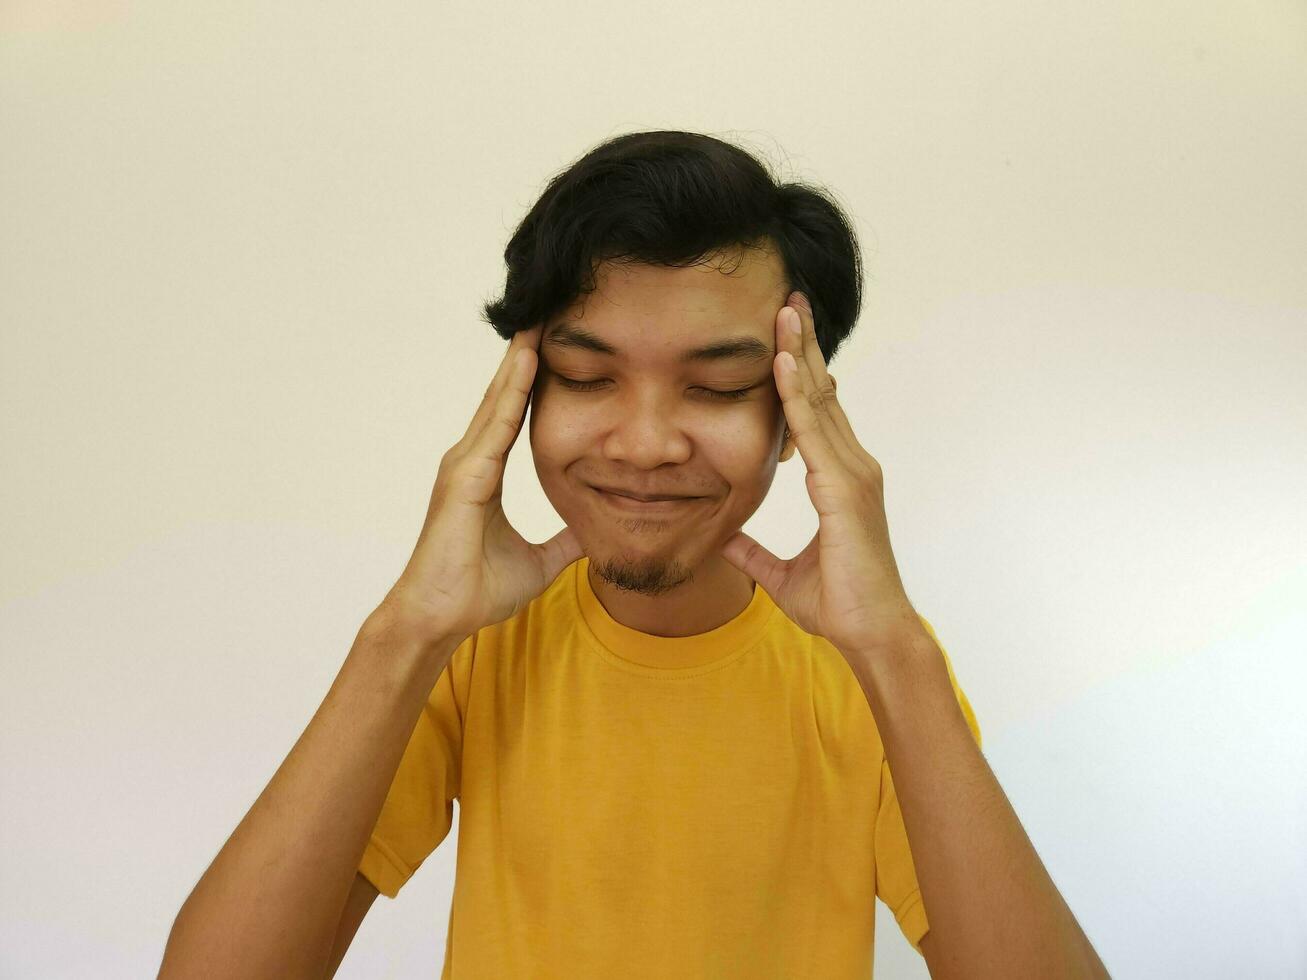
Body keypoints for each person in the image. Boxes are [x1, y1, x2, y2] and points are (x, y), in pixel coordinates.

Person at [158, 131, 1107, 979]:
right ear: (522, 395)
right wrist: (406, 629)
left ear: (796, 417)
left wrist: (895, 651)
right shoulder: (469, 650)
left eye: (720, 385)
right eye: (585, 376)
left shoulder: (871, 675)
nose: (644, 442)